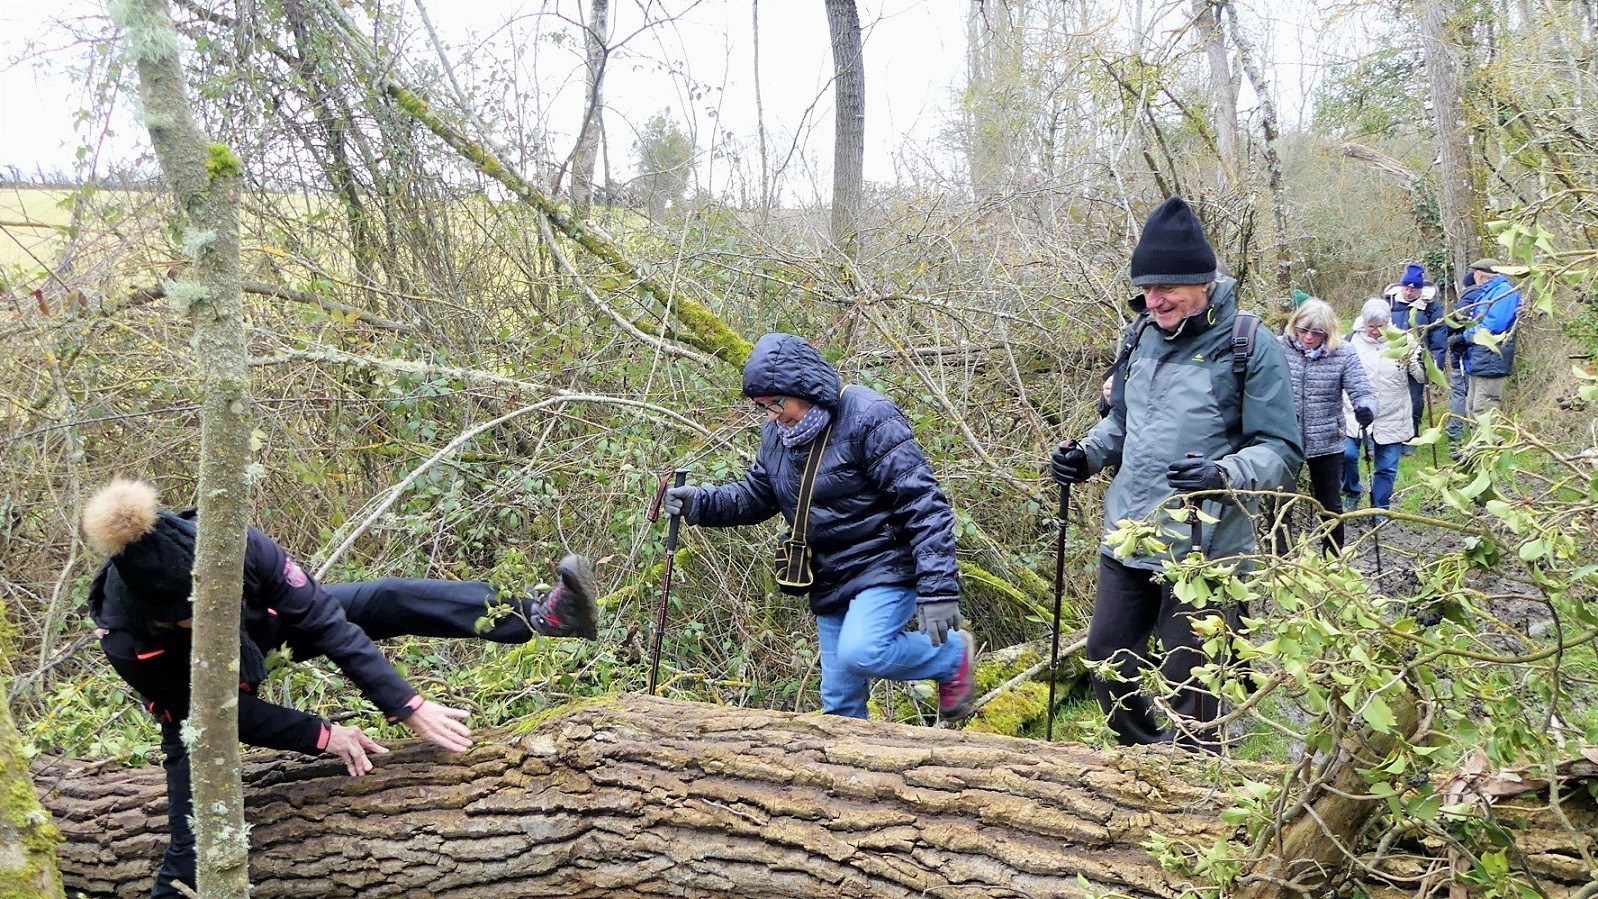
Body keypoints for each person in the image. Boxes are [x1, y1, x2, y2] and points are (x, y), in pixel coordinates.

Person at [83, 478, 599, 899]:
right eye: (193, 619)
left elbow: (326, 622)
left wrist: (405, 703)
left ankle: (538, 614)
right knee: (189, 853)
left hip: (265, 632)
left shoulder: (238, 543)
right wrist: (323, 734)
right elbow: (225, 715)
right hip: (195, 708)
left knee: (388, 598)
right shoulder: (126, 636)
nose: (209, 623)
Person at [1049, 196, 1302, 749]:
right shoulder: (1139, 335)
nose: (1153, 299)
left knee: (1196, 678)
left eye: (1166, 288)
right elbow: (1121, 424)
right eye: (1145, 288)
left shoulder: (1249, 345)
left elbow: (1283, 450)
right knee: (1106, 661)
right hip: (1130, 533)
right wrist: (1086, 456)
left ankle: (1197, 778)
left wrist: (1223, 472)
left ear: (1204, 281)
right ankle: (1142, 757)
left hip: (1205, 542)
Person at [660, 332, 976, 722]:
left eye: (776, 404)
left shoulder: (868, 416)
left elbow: (924, 504)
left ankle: (952, 657)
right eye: (764, 408)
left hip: (885, 564)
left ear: (804, 387)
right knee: (840, 706)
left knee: (863, 652)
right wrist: (700, 503)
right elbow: (757, 495)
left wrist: (939, 588)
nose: (773, 415)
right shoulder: (778, 435)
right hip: (829, 575)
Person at [1278, 299, 1377, 554]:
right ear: (1294, 325)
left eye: (1317, 333)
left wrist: (1366, 408)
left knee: (1330, 504)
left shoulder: (1343, 352)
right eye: (1303, 330)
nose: (1308, 338)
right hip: (1285, 439)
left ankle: (1333, 558)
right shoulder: (1278, 348)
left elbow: (1362, 389)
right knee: (1281, 502)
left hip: (1327, 440)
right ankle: (1281, 560)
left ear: (1328, 332)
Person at [1341, 298, 1425, 517]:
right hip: (1354, 413)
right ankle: (1351, 490)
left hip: (1393, 413)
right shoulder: (1349, 341)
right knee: (1347, 455)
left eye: (1381, 327)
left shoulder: (1404, 341)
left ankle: (1380, 510)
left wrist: (1420, 361)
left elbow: (1422, 377)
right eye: (1371, 326)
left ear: (1389, 322)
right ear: (1363, 322)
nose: (1376, 332)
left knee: (1386, 468)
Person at [1382, 263, 1448, 452]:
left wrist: (1435, 364)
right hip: (1391, 357)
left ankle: (1411, 437)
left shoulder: (1431, 307)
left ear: (1420, 290)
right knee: (1389, 397)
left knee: (1414, 399)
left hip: (1417, 358)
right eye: (1407, 288)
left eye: (1414, 289)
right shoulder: (1389, 302)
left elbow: (1438, 336)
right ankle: (1387, 437)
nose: (1410, 292)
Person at [1450, 257, 1523, 429]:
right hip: (1480, 358)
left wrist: (1465, 337)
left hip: (1492, 358)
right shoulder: (1490, 292)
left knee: (1484, 411)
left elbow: (1493, 325)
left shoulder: (1504, 292)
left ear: (1480, 274)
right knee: (1473, 408)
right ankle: (1478, 452)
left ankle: (1489, 452)